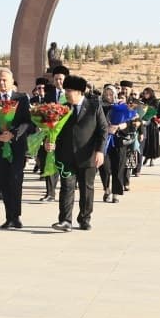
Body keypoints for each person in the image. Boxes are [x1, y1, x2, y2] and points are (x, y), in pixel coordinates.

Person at [53, 76, 108, 231]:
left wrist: (100, 151)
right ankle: (65, 220)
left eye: (69, 91)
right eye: (66, 91)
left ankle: (84, 218)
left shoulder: (94, 106)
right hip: (66, 155)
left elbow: (103, 129)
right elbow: (54, 130)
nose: (67, 94)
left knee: (86, 188)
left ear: (80, 92)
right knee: (66, 188)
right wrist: (49, 141)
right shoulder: (62, 108)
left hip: (88, 155)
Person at [0, 68, 33, 229]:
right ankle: (8, 216)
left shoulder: (21, 98)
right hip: (0, 147)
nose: (1, 83)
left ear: (11, 81)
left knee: (16, 181)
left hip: (17, 147)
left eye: (4, 80)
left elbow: (27, 122)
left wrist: (13, 134)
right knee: (4, 181)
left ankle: (16, 216)